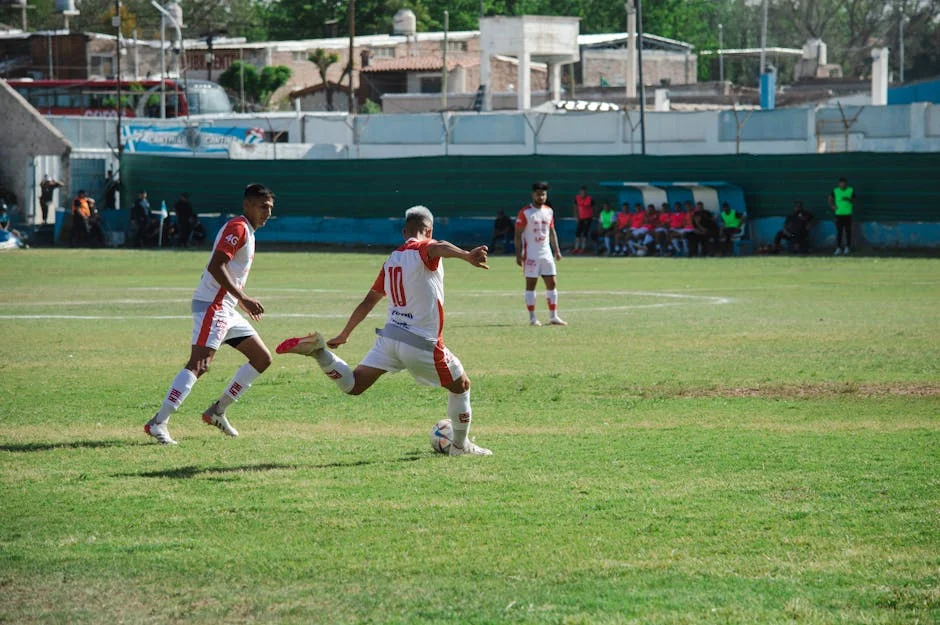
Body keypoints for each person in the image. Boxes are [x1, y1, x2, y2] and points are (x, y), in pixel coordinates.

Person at [275, 205, 493, 456]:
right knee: (461, 385)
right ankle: (460, 446)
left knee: (354, 385)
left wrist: (345, 334)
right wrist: (466, 255)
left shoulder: (391, 261)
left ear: (403, 232)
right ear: (429, 230)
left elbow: (368, 301)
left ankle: (320, 353)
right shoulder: (424, 249)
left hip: (389, 339)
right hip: (421, 343)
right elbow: (439, 246)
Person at [144, 183, 275, 445]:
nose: (267, 213)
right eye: (263, 207)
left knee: (262, 358)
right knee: (199, 364)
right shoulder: (238, 227)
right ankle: (158, 422)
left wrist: (237, 301)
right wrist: (244, 298)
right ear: (247, 205)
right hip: (214, 306)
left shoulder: (247, 230)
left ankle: (217, 410)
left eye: (271, 208)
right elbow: (216, 265)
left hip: (227, 308)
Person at [515, 181, 566, 326]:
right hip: (531, 254)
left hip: (546, 253)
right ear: (533, 195)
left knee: (552, 283)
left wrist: (557, 250)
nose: (541, 197)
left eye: (543, 194)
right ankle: (532, 318)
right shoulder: (525, 212)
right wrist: (518, 254)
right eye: (538, 194)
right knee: (531, 284)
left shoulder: (549, 211)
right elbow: (518, 234)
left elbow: (551, 231)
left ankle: (553, 316)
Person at [829, 177, 856, 255]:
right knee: (839, 232)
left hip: (847, 214)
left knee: (848, 231)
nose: (843, 185)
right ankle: (838, 248)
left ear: (846, 184)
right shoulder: (835, 190)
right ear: (839, 184)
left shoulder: (850, 190)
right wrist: (833, 206)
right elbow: (830, 199)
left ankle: (847, 247)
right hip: (838, 214)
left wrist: (848, 199)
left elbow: (854, 201)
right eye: (841, 183)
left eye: (844, 183)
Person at [571, 185, 594, 254]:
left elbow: (594, 207)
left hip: (588, 218)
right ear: (580, 192)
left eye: (584, 192)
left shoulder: (590, 199)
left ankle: (583, 248)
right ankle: (576, 247)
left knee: (585, 233)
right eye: (582, 192)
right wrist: (576, 217)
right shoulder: (577, 198)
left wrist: (592, 215)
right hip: (580, 218)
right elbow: (575, 207)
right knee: (578, 233)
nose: (583, 193)